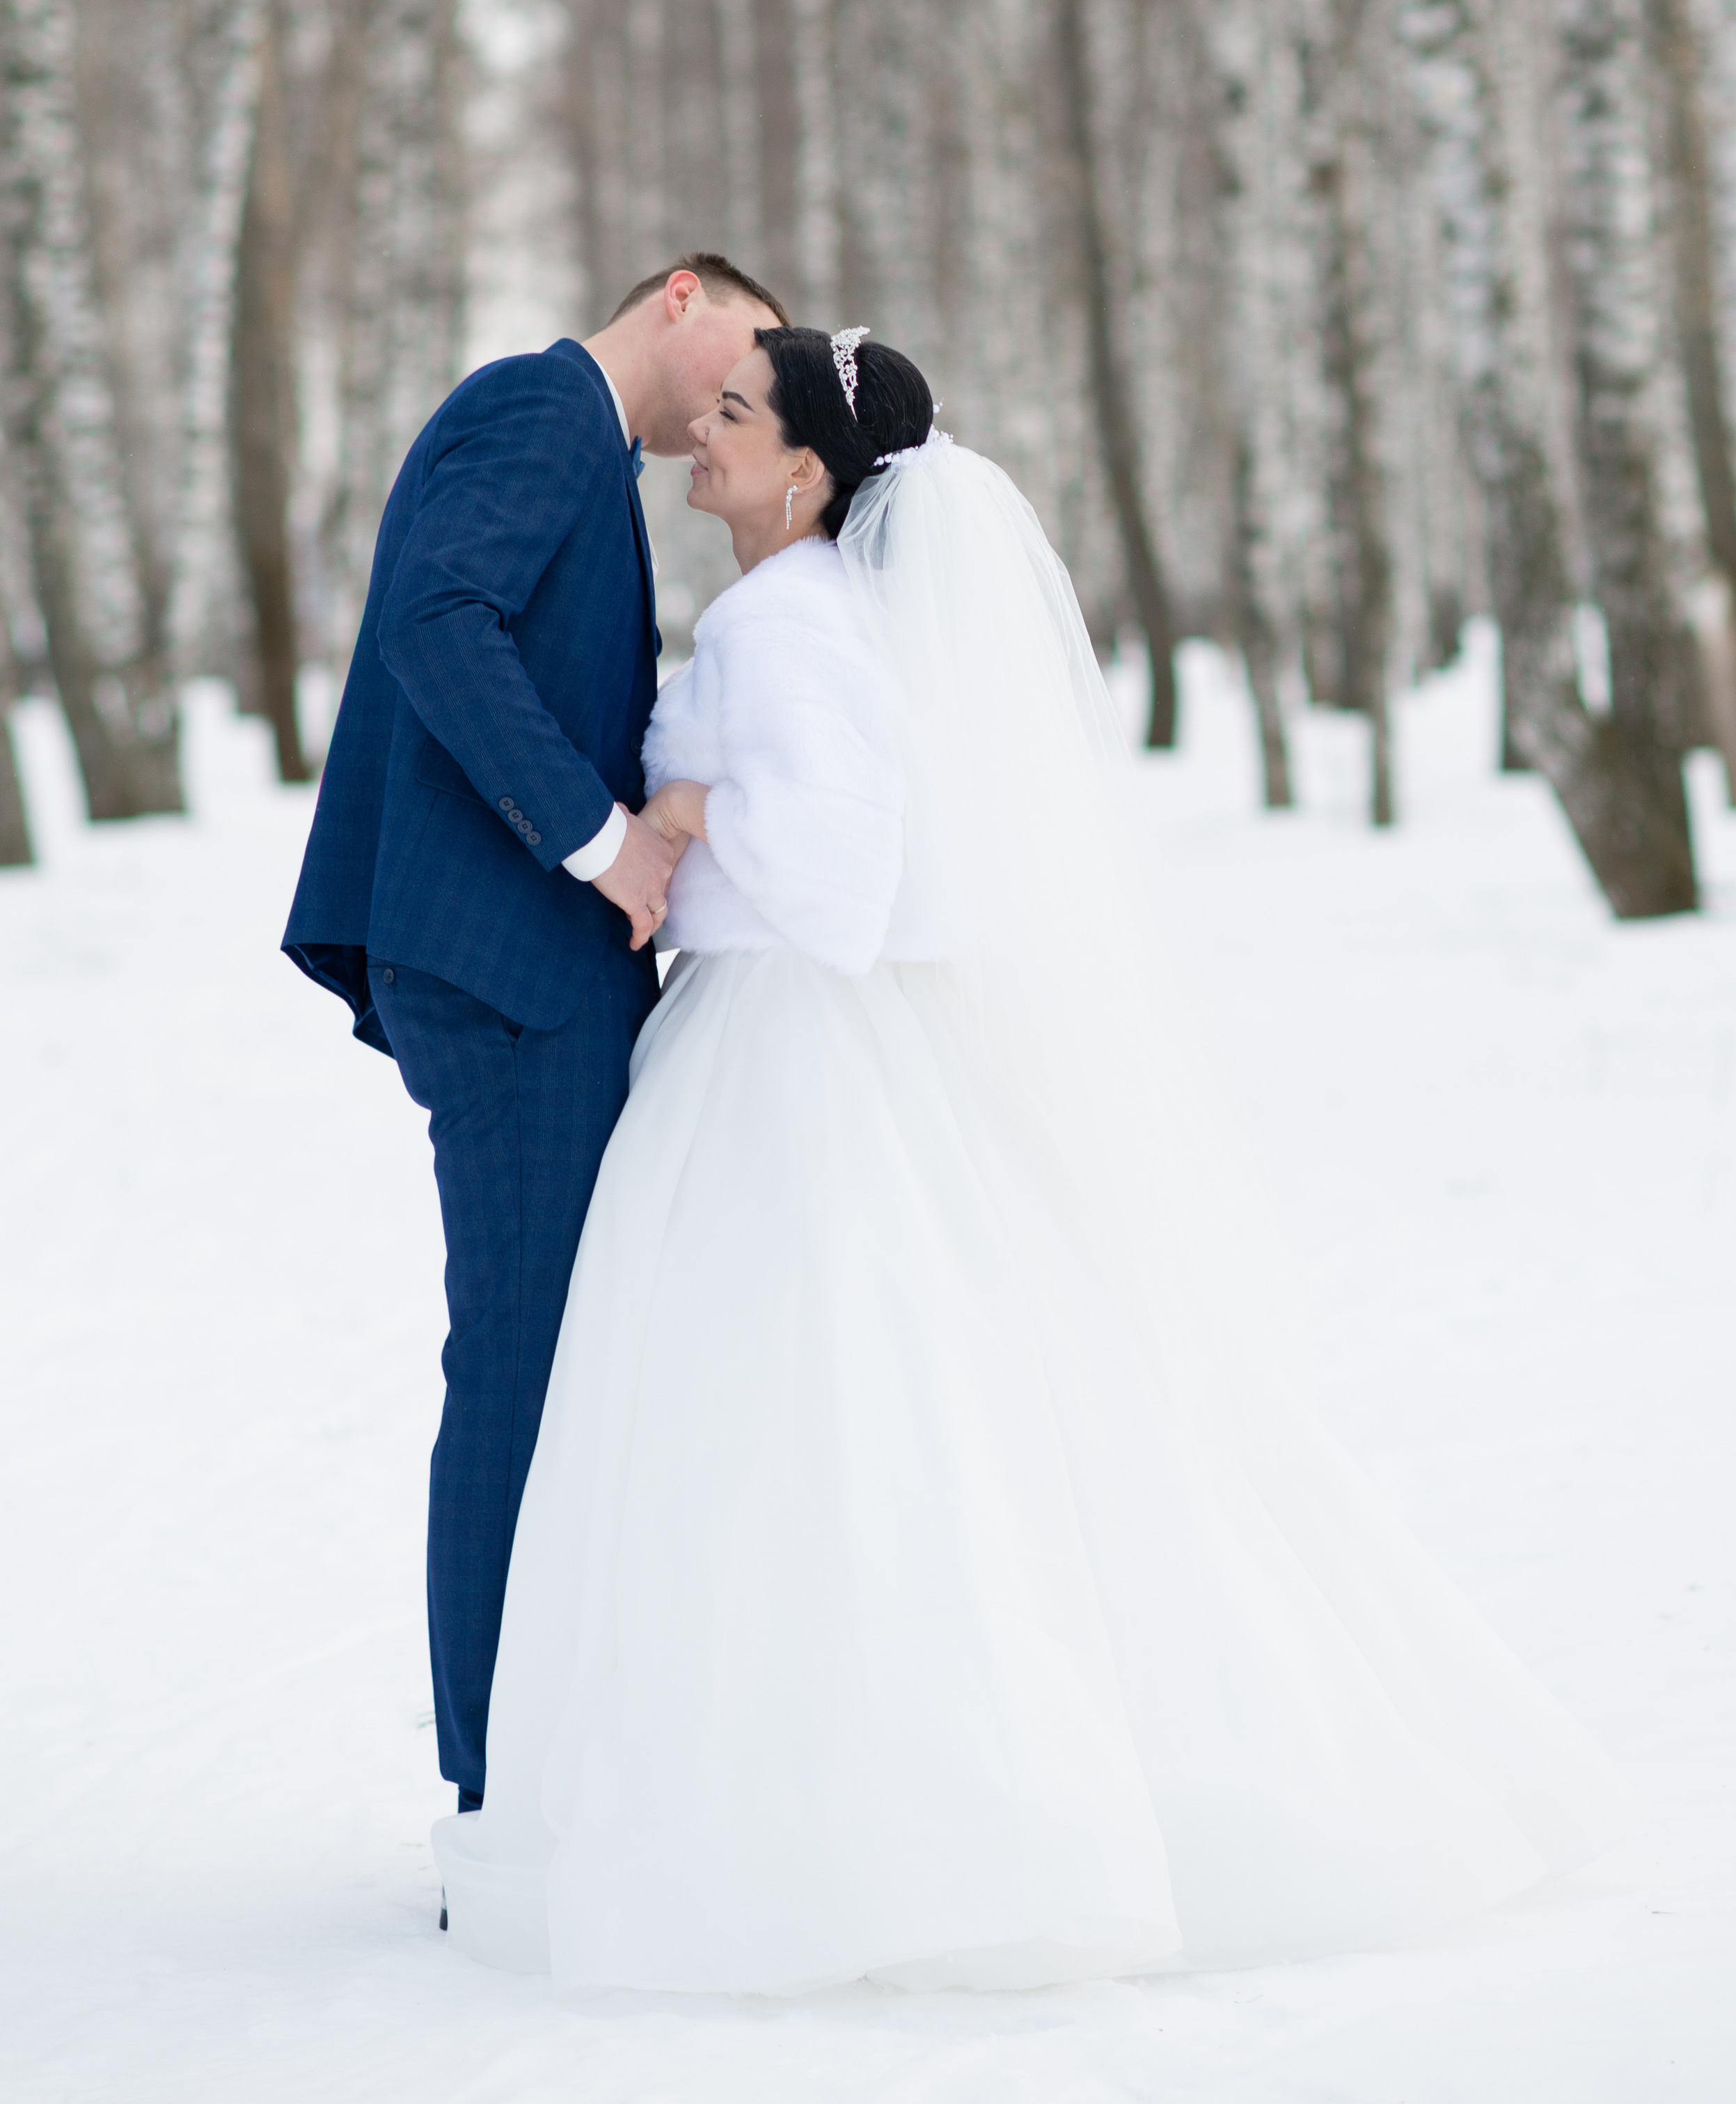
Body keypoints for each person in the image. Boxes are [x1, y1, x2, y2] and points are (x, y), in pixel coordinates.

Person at [432, 323, 1635, 1992]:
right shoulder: (802, 611)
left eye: (727, 416)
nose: (690, 439)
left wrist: (688, 823)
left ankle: (856, 1811)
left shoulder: (784, 627)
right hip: (776, 1038)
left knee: (807, 1417)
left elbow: (842, 889)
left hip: (791, 1050)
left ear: (803, 471)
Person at [282, 256, 787, 1814]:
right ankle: (502, 1794)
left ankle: (537, 1763)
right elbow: (441, 619)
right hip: (510, 971)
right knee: (521, 1367)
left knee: (553, 1362)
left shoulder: (572, 444)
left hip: (521, 971)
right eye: (747, 356)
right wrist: (601, 841)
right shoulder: (538, 407)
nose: (736, 400)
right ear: (683, 297)